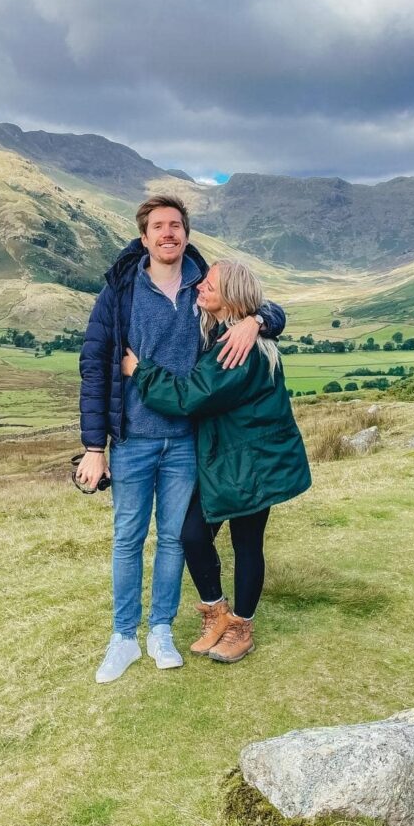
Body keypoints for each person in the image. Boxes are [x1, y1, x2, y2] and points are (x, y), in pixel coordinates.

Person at [76, 197, 286, 683]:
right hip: (131, 439)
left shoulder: (203, 282)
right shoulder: (121, 288)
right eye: (158, 227)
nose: (168, 233)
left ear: (186, 234)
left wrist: (258, 320)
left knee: (174, 539)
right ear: (144, 237)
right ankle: (123, 637)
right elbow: (94, 362)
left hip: (188, 443)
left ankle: (162, 631)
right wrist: (93, 446)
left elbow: (256, 303)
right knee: (128, 538)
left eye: (176, 225)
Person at [122, 259, 311, 664]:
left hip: (251, 462)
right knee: (193, 535)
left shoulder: (238, 349)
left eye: (209, 285)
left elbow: (191, 395)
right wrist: (259, 317)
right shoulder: (224, 331)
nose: (199, 289)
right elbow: (271, 310)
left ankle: (241, 626)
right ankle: (218, 612)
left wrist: (140, 371)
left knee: (246, 543)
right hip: (226, 460)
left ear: (231, 296)